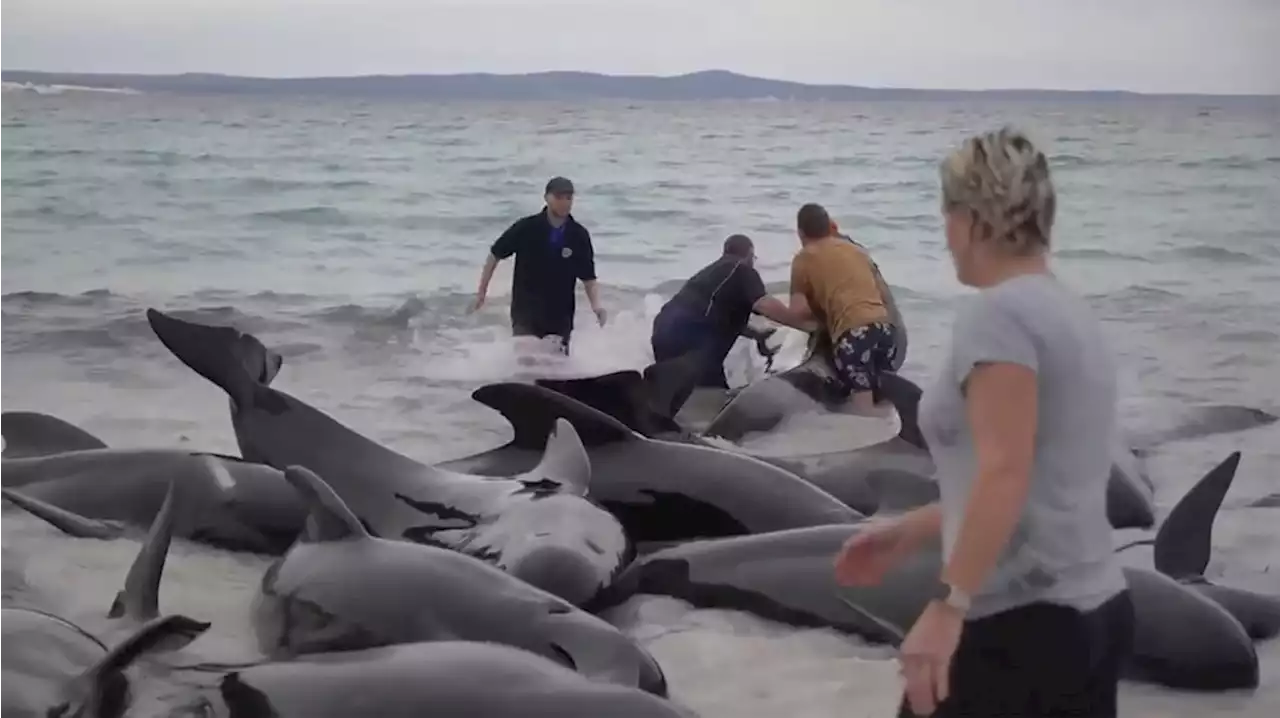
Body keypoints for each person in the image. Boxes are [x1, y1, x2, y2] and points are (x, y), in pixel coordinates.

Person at [833, 127, 1133, 717]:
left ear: (973, 219)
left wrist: (948, 607)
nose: (945, 234)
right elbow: (1044, 482)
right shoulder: (1070, 314)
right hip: (1098, 615)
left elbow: (1006, 472)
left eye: (947, 214)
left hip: (1018, 627)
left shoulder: (997, 315)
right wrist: (911, 530)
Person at [650, 233, 814, 392]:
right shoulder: (742, 269)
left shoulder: (711, 273)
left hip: (663, 332)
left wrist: (756, 335)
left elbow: (714, 314)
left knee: (677, 396)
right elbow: (764, 304)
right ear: (750, 254)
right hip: (692, 342)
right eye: (754, 258)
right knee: (712, 399)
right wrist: (805, 325)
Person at [470, 176, 606, 355]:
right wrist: (482, 292)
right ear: (546, 198)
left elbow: (588, 277)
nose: (565, 202)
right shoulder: (526, 227)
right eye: (559, 197)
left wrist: (596, 306)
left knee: (556, 369)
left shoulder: (578, 235)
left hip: (561, 313)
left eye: (569, 198)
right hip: (526, 309)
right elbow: (495, 254)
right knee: (525, 363)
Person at [787, 203, 898, 413]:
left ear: (800, 233)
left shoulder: (803, 258)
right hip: (886, 329)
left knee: (861, 405)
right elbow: (883, 295)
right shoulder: (856, 250)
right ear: (829, 226)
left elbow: (798, 312)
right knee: (879, 391)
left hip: (854, 334)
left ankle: (865, 441)